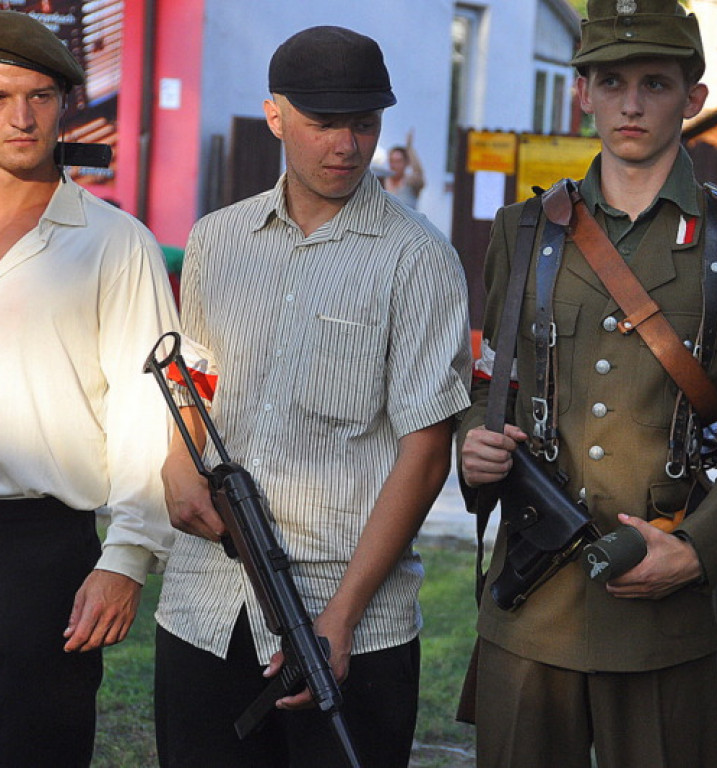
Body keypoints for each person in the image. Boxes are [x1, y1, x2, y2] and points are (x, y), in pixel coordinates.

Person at [457, 1, 717, 765]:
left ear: (693, 98)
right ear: (582, 91)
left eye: (654, 82)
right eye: (610, 80)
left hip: (668, 617)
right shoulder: (521, 232)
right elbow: (489, 386)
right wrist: (472, 444)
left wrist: (696, 552)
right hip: (534, 607)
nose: (629, 102)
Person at [153, 25, 471, 768]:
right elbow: (192, 380)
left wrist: (341, 616)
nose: (348, 145)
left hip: (348, 622)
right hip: (205, 605)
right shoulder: (215, 240)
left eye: (364, 124)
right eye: (325, 122)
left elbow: (425, 454)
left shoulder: (419, 260)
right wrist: (176, 462)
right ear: (276, 116)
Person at [0, 11, 177, 767]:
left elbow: (151, 414)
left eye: (39, 95)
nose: (19, 116)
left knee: (36, 748)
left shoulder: (115, 243)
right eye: (0, 95)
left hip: (41, 554)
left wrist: (126, 559)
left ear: (66, 102)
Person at [383, 128, 425, 209]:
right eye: (392, 161)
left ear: (406, 163)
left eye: (398, 161)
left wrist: (409, 148)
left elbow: (419, 173)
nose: (394, 165)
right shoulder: (383, 181)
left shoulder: (411, 181)